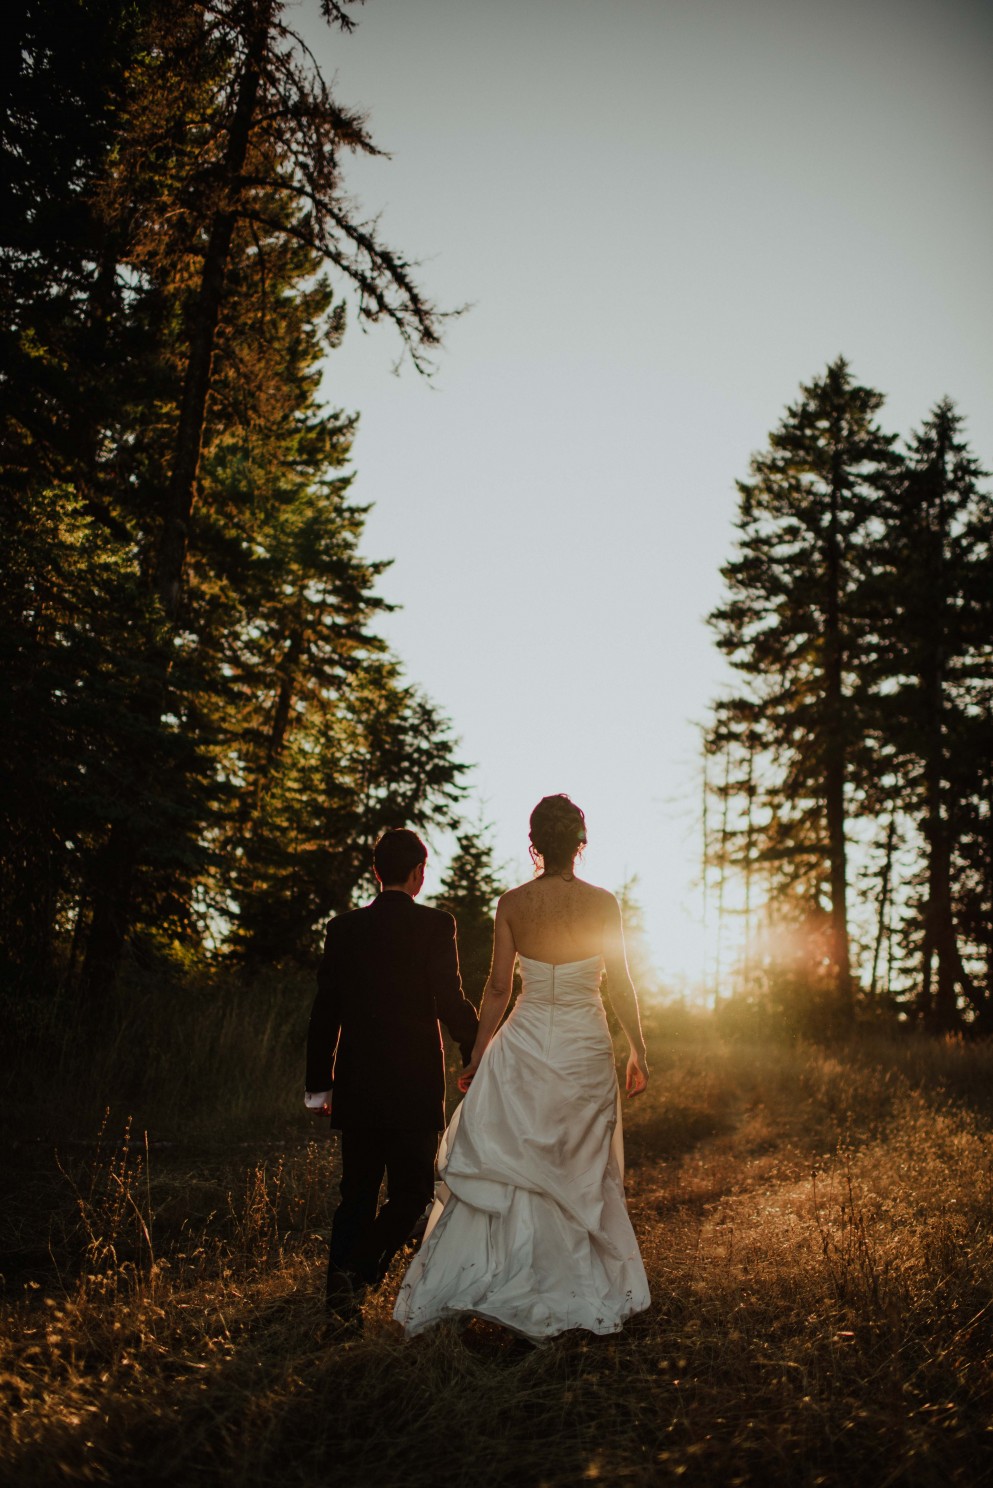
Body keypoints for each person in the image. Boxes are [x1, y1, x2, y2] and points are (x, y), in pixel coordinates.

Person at [394, 794, 651, 1342]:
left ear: (534, 844)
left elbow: (497, 987)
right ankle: (571, 1281)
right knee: (574, 1164)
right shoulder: (603, 904)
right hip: (584, 1044)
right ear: (579, 843)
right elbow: (622, 983)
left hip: (526, 1041)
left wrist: (480, 1053)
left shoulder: (512, 903)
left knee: (517, 1162)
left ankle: (495, 1278)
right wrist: (638, 1048)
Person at [305, 827, 479, 1315]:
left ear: (377, 872)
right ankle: (359, 1272)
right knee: (413, 1194)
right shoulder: (435, 925)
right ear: (419, 872)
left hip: (356, 1086)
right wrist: (479, 1046)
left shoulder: (344, 929)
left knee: (355, 1196)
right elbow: (450, 998)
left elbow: (325, 1012)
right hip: (413, 1088)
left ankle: (341, 1303)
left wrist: (319, 1084)